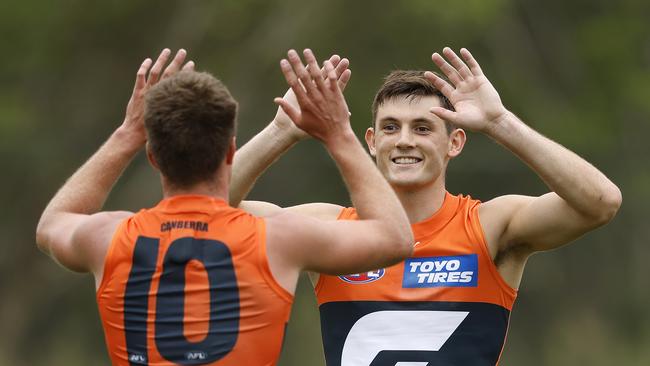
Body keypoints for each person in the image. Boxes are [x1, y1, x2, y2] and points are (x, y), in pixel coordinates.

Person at [230, 47, 622, 365]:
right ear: (370, 141)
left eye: (422, 128)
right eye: (390, 127)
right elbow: (209, 213)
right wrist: (281, 132)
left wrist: (500, 121)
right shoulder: (334, 231)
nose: (404, 140)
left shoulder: (488, 226)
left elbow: (600, 202)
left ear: (454, 143)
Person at [35, 48, 413, 365]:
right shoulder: (278, 238)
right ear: (230, 152)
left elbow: (53, 223)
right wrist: (338, 132)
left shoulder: (109, 236)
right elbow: (396, 238)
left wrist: (127, 133)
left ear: (152, 157)